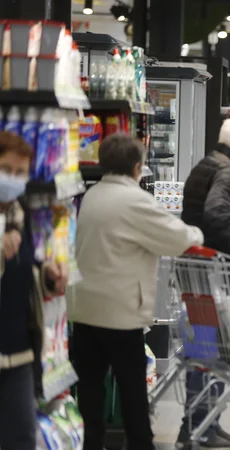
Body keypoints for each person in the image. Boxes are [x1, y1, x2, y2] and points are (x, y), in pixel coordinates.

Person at [69, 134, 203, 450]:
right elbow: (178, 238)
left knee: (90, 386)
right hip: (120, 310)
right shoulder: (135, 201)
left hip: (84, 306)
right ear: (136, 167)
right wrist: (197, 231)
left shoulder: (91, 194)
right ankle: (141, 444)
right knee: (131, 388)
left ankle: (91, 444)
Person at [180, 118, 230, 448]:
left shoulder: (209, 162)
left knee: (205, 347)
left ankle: (203, 423)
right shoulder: (228, 172)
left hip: (198, 271)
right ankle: (200, 426)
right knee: (212, 350)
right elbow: (216, 214)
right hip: (213, 274)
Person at [0, 132, 68, 450]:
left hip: (18, 353)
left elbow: (23, 274)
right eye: (6, 169)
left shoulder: (20, 213)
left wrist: (48, 278)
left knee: (21, 438)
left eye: (19, 172)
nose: (12, 179)